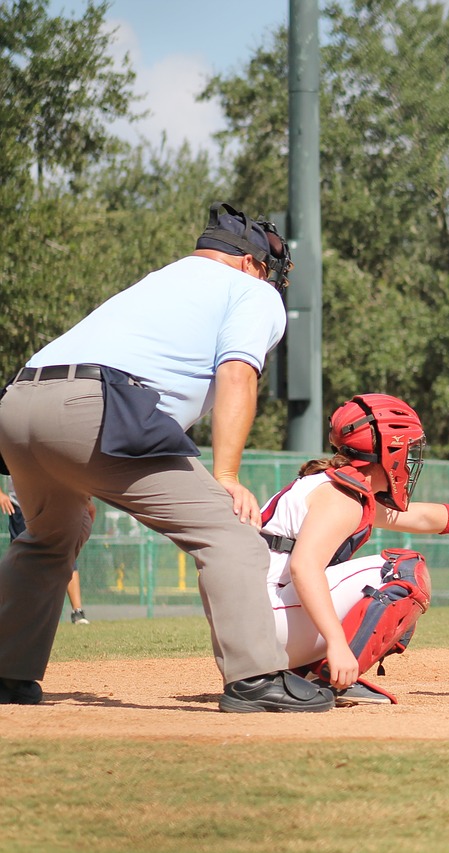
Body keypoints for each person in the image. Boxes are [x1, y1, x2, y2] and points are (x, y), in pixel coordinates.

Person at [0, 202, 334, 712]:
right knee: (231, 534)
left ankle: (7, 674)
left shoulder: (161, 280)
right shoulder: (252, 291)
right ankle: (256, 679)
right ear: (249, 262)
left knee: (52, 536)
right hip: (93, 405)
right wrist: (226, 474)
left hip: (18, 402)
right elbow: (237, 374)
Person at [260, 393, 449, 706]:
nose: (410, 460)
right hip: (267, 624)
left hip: (259, 622)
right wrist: (337, 644)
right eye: (407, 449)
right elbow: (305, 567)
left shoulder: (337, 486)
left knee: (391, 581)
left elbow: (418, 517)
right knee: (402, 571)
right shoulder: (340, 498)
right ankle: (328, 677)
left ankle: (308, 672)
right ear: (389, 451)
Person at [2, 483, 95, 625]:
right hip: (21, 507)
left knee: (65, 554)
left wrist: (86, 498)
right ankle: (22, 611)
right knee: (22, 563)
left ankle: (77, 611)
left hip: (57, 505)